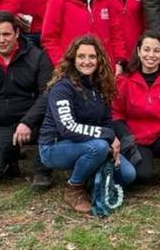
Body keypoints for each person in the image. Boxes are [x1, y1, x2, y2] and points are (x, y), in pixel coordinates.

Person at [40, 36, 136, 213]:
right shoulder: (62, 87)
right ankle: (74, 189)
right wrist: (108, 137)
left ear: (99, 59)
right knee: (98, 148)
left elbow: (107, 121)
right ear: (73, 59)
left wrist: (111, 144)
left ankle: (91, 176)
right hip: (54, 146)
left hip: (88, 143)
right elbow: (67, 127)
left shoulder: (101, 85)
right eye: (81, 56)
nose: (87, 61)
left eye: (92, 57)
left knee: (128, 175)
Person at [0, 11, 54, 187]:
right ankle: (10, 158)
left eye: (6, 34)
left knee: (54, 120)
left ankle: (42, 171)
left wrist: (28, 122)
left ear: (17, 33)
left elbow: (48, 94)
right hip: (0, 125)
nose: (1, 40)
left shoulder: (38, 57)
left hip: (33, 122)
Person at [112, 31, 160, 191]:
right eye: (147, 49)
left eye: (157, 50)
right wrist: (126, 138)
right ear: (139, 51)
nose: (151, 55)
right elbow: (116, 113)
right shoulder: (124, 79)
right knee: (142, 176)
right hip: (137, 138)